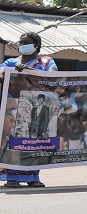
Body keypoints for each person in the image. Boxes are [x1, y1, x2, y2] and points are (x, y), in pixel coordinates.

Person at [0, 32, 57, 188]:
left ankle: (33, 177)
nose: (22, 45)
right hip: (13, 109)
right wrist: (7, 72)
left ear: (36, 45)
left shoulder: (46, 62)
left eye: (26, 42)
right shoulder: (11, 62)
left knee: (35, 143)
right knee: (13, 142)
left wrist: (29, 72)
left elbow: (52, 78)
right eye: (21, 42)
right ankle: (12, 177)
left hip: (36, 110)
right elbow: (0, 74)